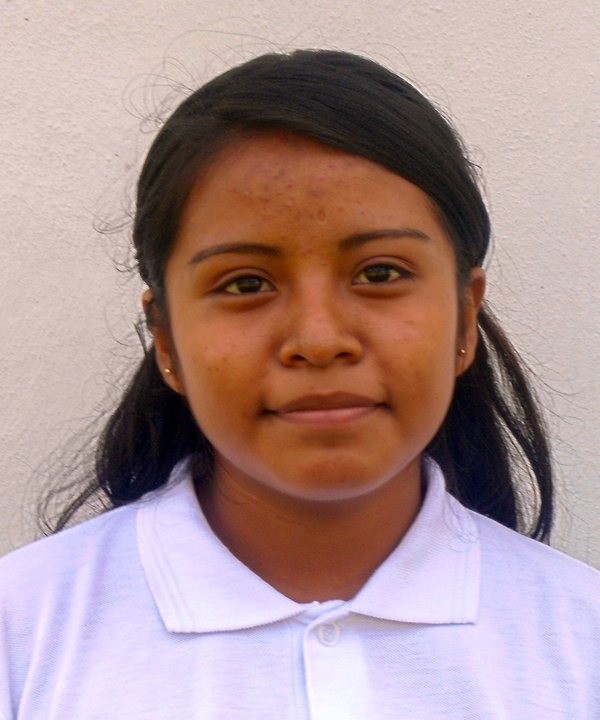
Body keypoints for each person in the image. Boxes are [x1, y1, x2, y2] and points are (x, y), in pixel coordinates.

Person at [0, 49, 598, 719]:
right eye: (245, 284)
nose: (318, 338)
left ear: (464, 318)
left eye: (380, 274)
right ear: (165, 339)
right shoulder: (23, 634)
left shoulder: (580, 640)